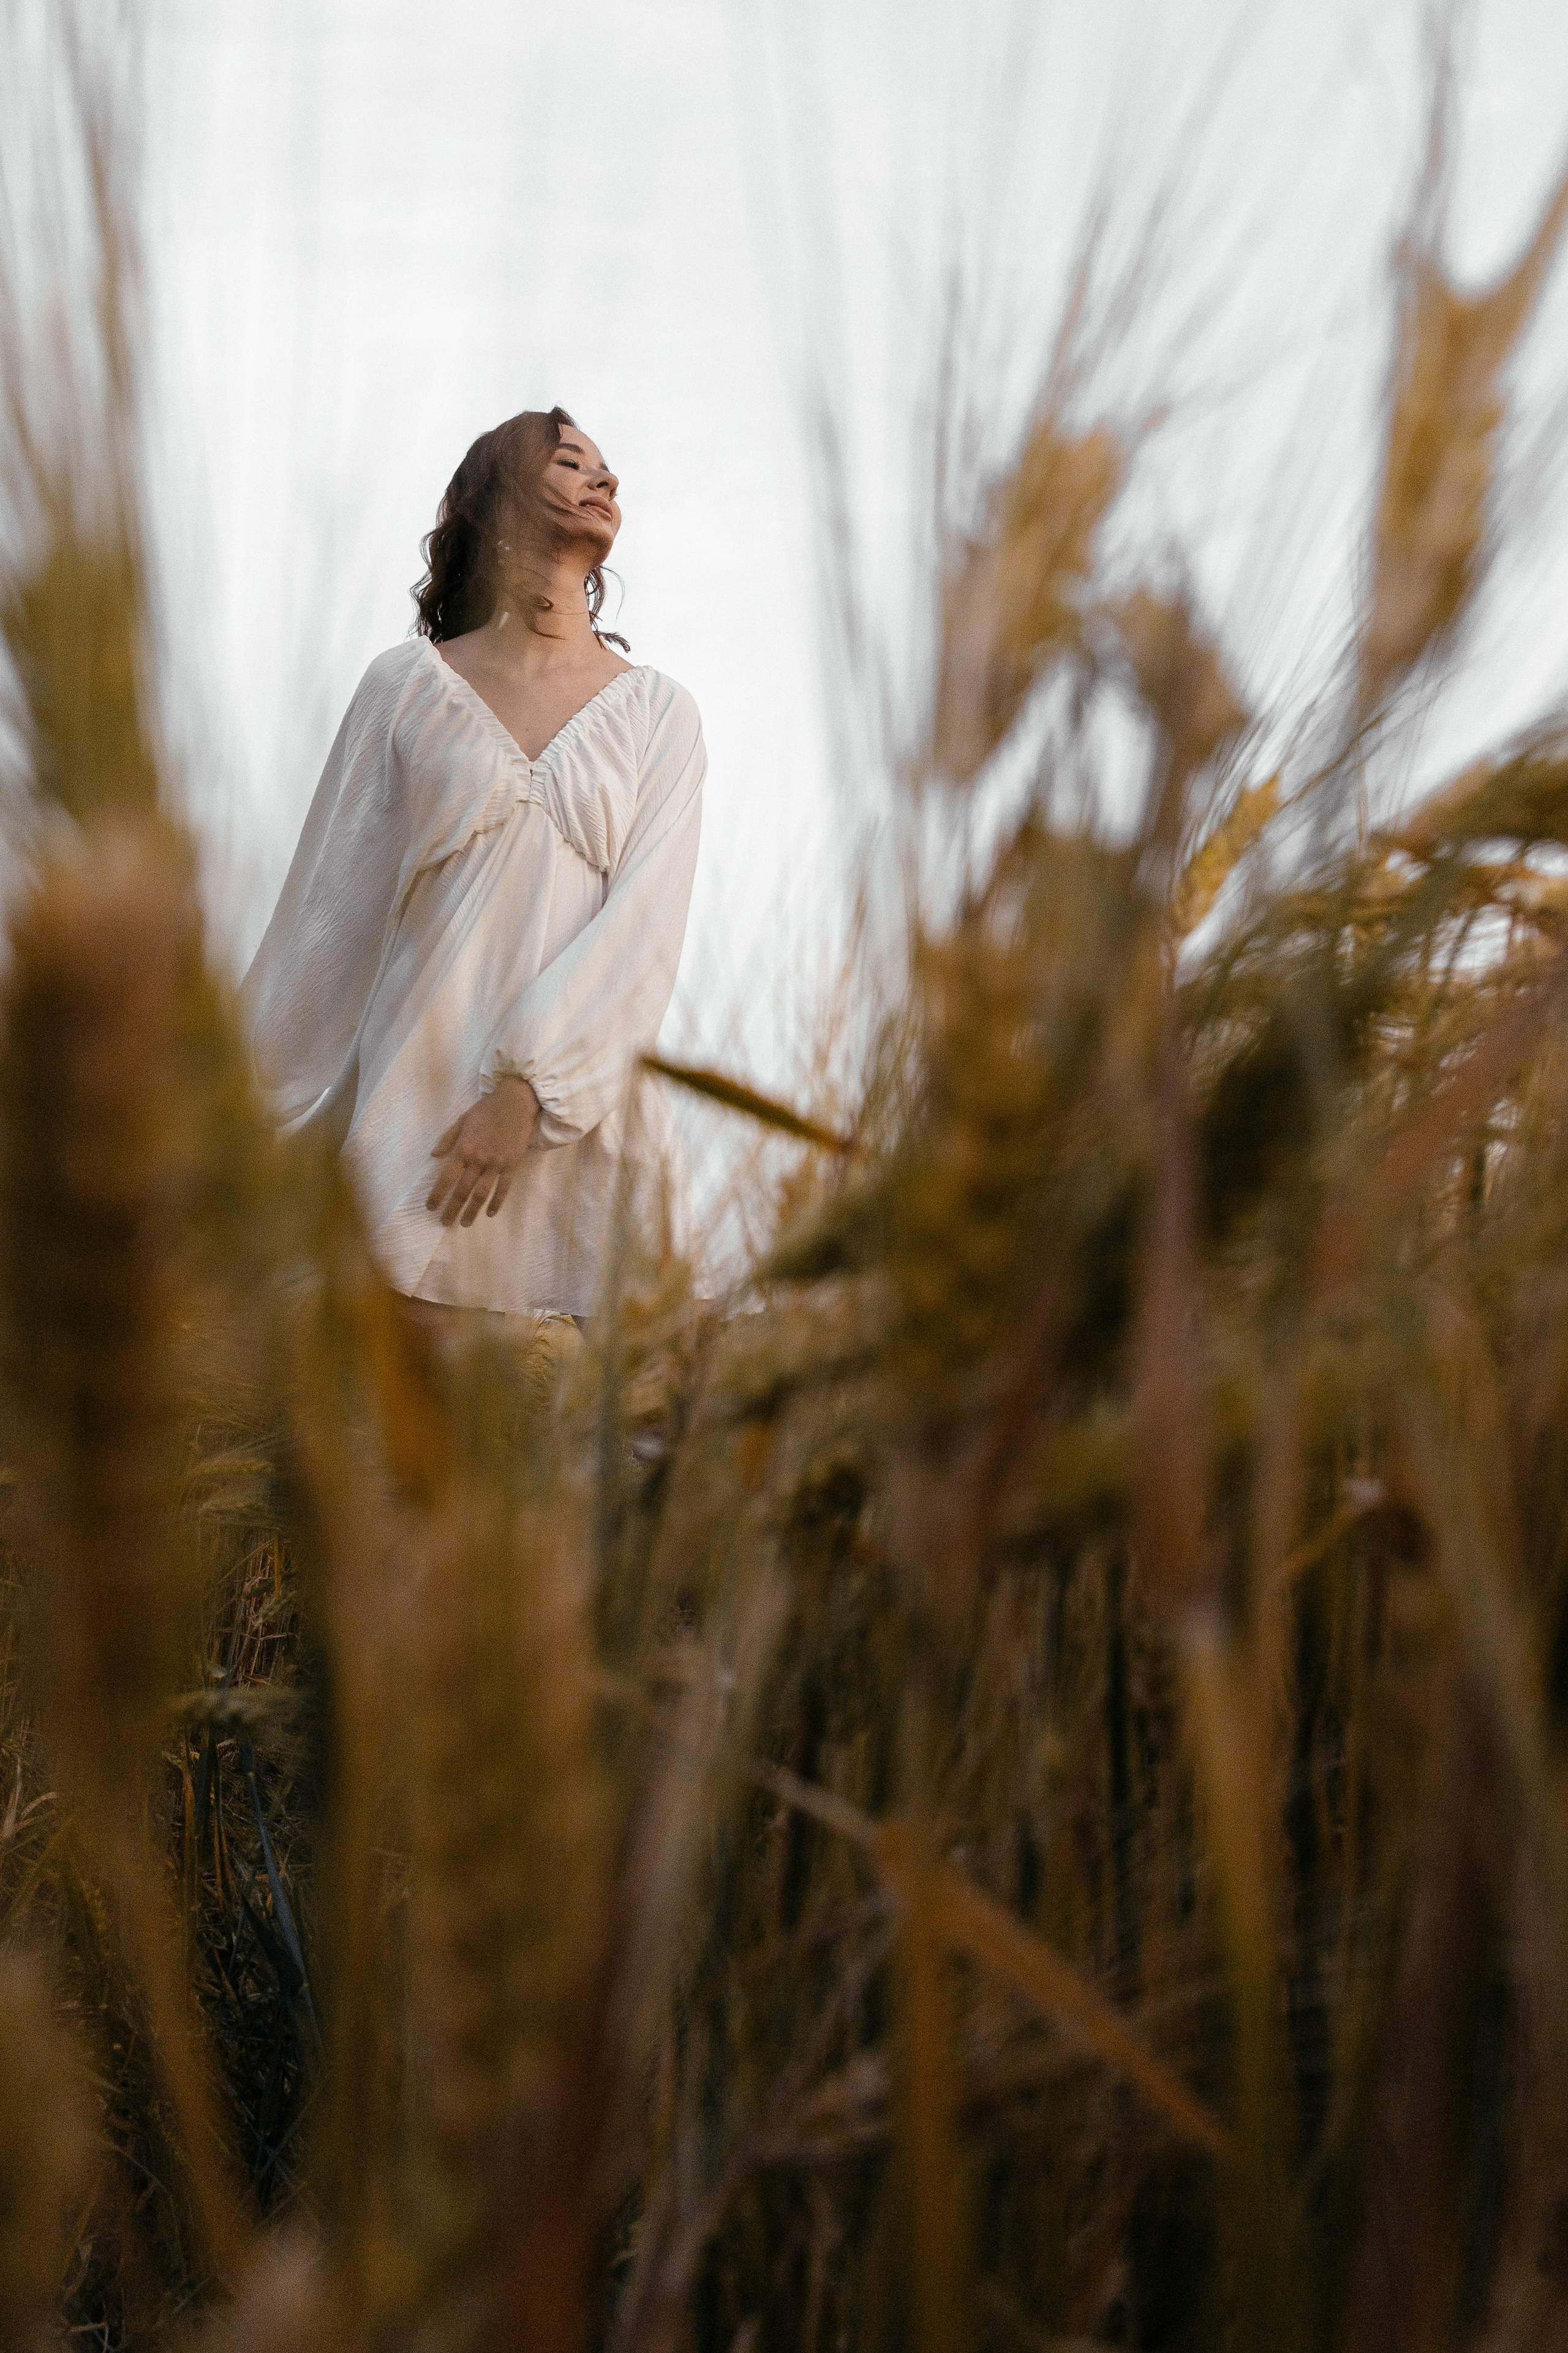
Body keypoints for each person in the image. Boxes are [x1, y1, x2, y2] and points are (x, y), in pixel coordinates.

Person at [241, 406, 704, 1323]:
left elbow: (645, 935)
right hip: (412, 1150)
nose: (603, 481)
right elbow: (323, 931)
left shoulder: (661, 715)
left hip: (586, 1170)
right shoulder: (404, 690)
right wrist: (228, 1124)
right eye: (571, 461)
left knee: (590, 1451)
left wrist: (531, 1093)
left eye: (609, 469)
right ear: (487, 498)